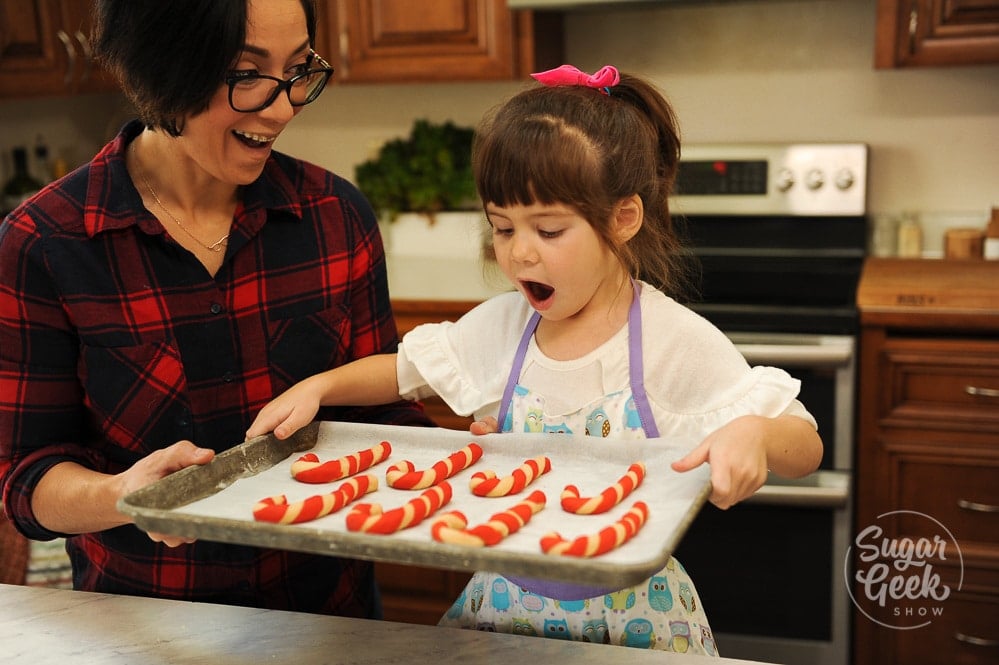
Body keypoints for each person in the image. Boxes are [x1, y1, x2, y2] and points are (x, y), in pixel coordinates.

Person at [245, 64, 823, 653]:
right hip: (503, 606)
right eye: (502, 228)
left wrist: (754, 433)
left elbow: (803, 443)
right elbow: (401, 372)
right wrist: (319, 387)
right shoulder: (506, 327)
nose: (519, 253)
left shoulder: (670, 340)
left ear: (622, 219)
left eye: (548, 230)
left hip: (630, 621)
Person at [0, 0, 433, 616]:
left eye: (298, 69)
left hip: (332, 623)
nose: (283, 107)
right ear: (164, 68)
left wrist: (470, 462)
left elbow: (382, 411)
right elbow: (26, 477)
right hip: (146, 630)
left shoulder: (336, 216)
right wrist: (123, 494)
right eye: (247, 74)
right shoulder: (46, 243)